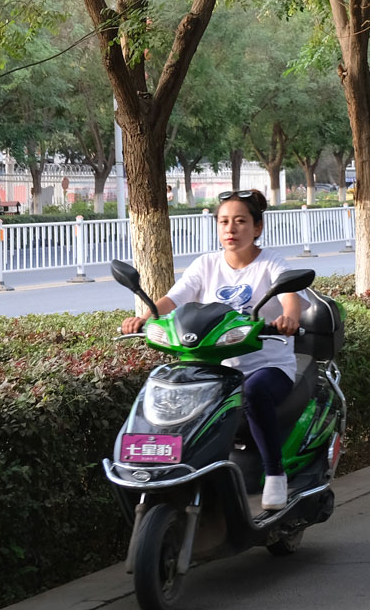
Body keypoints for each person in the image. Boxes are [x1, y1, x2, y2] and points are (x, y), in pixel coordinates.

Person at [120, 190, 302, 508]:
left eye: (240, 221)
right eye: (224, 222)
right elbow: (173, 299)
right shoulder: (206, 265)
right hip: (217, 367)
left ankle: (275, 474)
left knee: (255, 391)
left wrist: (289, 319)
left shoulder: (270, 263)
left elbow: (289, 296)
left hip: (268, 366)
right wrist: (144, 318)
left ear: (257, 228)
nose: (231, 229)